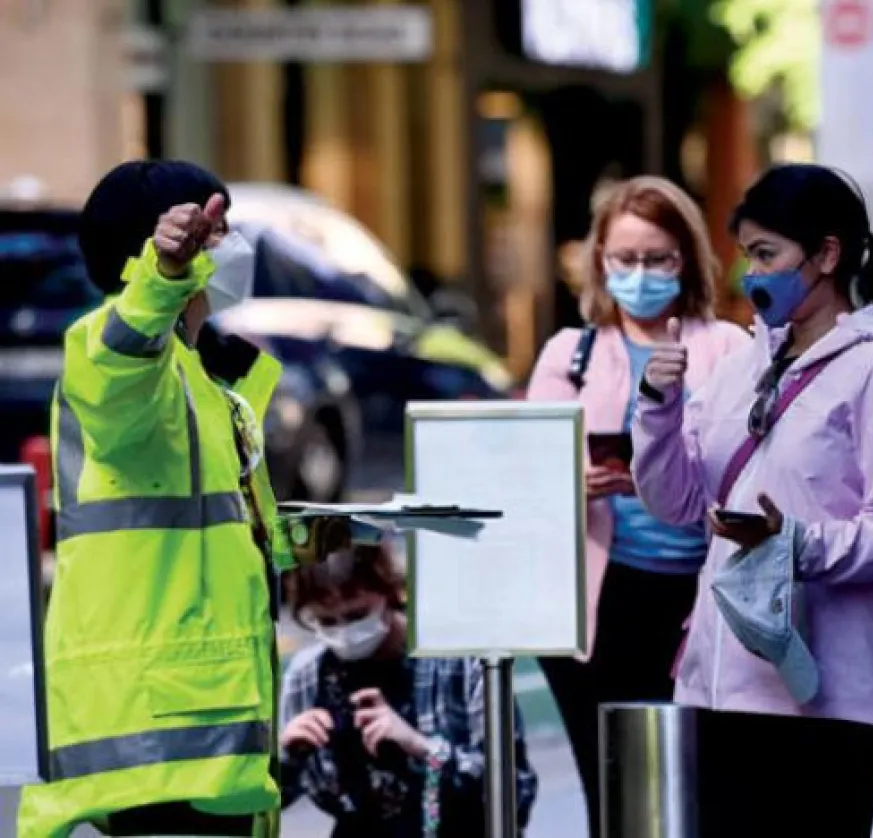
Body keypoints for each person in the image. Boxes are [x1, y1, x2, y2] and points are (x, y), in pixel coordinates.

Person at [631, 163, 873, 838]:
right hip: (722, 683)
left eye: (767, 254)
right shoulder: (738, 369)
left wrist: (793, 544)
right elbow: (678, 501)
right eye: (747, 255)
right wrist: (657, 410)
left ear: (827, 255)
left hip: (833, 693)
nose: (752, 274)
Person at [18, 160, 296, 837]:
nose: (233, 247)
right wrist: (161, 283)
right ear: (155, 250)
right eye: (216, 232)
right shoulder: (112, 355)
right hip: (159, 733)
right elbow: (120, 360)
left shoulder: (211, 381)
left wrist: (305, 546)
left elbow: (211, 527)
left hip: (200, 726)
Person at [524, 175, 747, 837]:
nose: (641, 273)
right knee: (615, 792)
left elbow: (752, 468)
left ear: (688, 259)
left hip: (703, 601)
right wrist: (575, 477)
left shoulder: (730, 349)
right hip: (600, 598)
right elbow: (524, 468)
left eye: (658, 258)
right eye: (625, 259)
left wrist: (669, 474)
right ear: (600, 262)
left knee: (703, 795)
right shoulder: (572, 354)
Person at [278, 543, 537, 837]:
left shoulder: (461, 660)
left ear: (389, 593)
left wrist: (421, 747)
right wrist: (287, 756)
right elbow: (264, 807)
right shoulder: (306, 676)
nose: (344, 633)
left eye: (357, 615)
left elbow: (514, 793)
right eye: (326, 622)